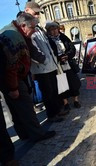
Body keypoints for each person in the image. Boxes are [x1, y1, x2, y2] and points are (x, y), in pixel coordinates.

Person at [0, 13, 55, 142]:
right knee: (25, 106)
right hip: (12, 78)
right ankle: (38, 134)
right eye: (33, 27)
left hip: (7, 78)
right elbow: (11, 65)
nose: (35, 30)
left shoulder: (13, 31)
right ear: (23, 26)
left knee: (15, 108)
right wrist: (14, 87)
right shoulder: (15, 36)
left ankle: (24, 134)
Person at [25, 1, 68, 122]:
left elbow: (47, 45)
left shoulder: (38, 27)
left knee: (53, 91)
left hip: (51, 66)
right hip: (42, 68)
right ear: (27, 11)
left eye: (38, 13)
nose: (38, 16)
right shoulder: (28, 27)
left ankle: (57, 111)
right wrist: (44, 60)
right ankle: (52, 115)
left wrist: (54, 58)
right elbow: (32, 49)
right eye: (35, 13)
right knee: (48, 93)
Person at [45, 21, 81, 111]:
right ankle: (65, 103)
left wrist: (67, 55)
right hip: (58, 66)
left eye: (55, 29)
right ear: (48, 31)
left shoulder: (63, 37)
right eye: (51, 30)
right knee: (62, 85)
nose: (54, 31)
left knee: (73, 82)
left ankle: (76, 100)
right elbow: (49, 53)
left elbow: (72, 48)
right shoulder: (47, 40)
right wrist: (59, 58)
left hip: (68, 64)